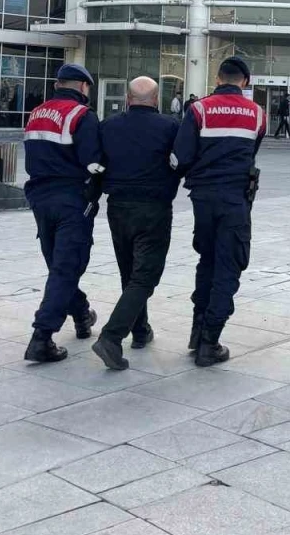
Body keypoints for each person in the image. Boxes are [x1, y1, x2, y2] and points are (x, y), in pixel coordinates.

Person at [171, 56, 266, 367]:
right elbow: (251, 152)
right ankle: (209, 341)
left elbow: (182, 155)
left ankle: (197, 331)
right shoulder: (257, 113)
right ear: (245, 81)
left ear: (217, 78)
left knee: (207, 261)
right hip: (235, 199)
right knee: (229, 266)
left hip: (203, 198)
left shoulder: (198, 110)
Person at [91, 76, 181, 371]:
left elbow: (97, 164)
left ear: (127, 100)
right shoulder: (170, 127)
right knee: (145, 276)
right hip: (154, 208)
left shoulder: (108, 126)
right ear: (155, 99)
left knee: (129, 271)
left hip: (118, 207)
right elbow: (182, 161)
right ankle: (111, 337)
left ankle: (140, 330)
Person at [21, 63, 104, 363]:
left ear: (58, 85)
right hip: (71, 200)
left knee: (59, 266)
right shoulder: (82, 115)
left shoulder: (36, 113)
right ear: (83, 87)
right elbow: (94, 163)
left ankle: (81, 314)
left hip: (39, 198)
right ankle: (41, 337)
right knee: (67, 267)